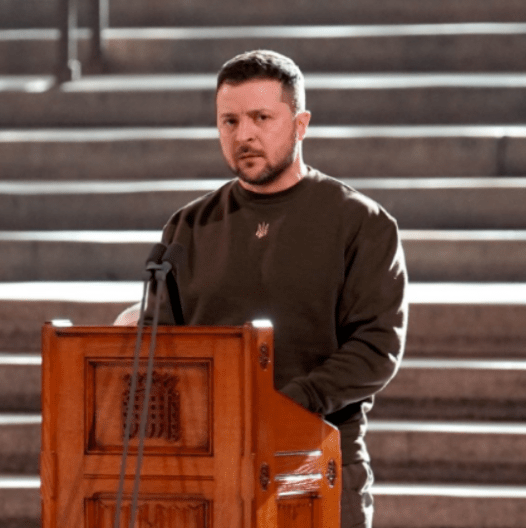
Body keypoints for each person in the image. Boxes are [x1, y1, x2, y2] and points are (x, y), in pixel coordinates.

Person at [116, 49, 408, 528]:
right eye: (228, 121)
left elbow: (376, 348)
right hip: (204, 469)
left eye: (261, 117)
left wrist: (284, 406)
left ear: (300, 124)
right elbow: (159, 344)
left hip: (315, 461)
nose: (243, 134)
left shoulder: (361, 223)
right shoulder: (187, 228)